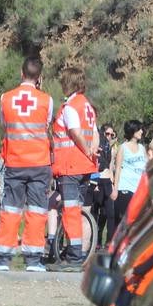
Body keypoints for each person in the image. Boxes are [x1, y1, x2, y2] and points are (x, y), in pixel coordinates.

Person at [0, 57, 55, 272]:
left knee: (10, 209)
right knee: (37, 210)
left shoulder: (5, 98)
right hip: (39, 163)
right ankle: (34, 260)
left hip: (15, 161)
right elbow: (46, 125)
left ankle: (2, 259)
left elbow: (4, 125)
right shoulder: (47, 100)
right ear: (40, 77)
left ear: (21, 73)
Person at [49, 65, 99, 271]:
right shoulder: (87, 105)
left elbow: (75, 132)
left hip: (70, 166)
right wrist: (91, 152)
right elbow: (95, 133)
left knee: (70, 210)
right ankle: (75, 252)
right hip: (85, 167)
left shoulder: (70, 106)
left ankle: (74, 256)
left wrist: (85, 149)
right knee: (76, 210)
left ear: (68, 83)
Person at [111, 119, 148, 235]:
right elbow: (117, 169)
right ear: (133, 130)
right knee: (124, 221)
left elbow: (146, 168)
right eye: (139, 129)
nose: (142, 131)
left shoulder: (142, 148)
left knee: (137, 221)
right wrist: (115, 189)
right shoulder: (123, 147)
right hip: (125, 188)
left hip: (139, 189)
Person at [94, 124, 118, 244]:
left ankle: (109, 242)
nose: (109, 136)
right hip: (98, 179)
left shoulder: (110, 147)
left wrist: (113, 183)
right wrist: (96, 182)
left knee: (109, 213)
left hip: (107, 180)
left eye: (111, 134)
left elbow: (110, 166)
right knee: (95, 212)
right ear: (102, 133)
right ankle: (95, 241)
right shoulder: (98, 144)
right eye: (107, 134)